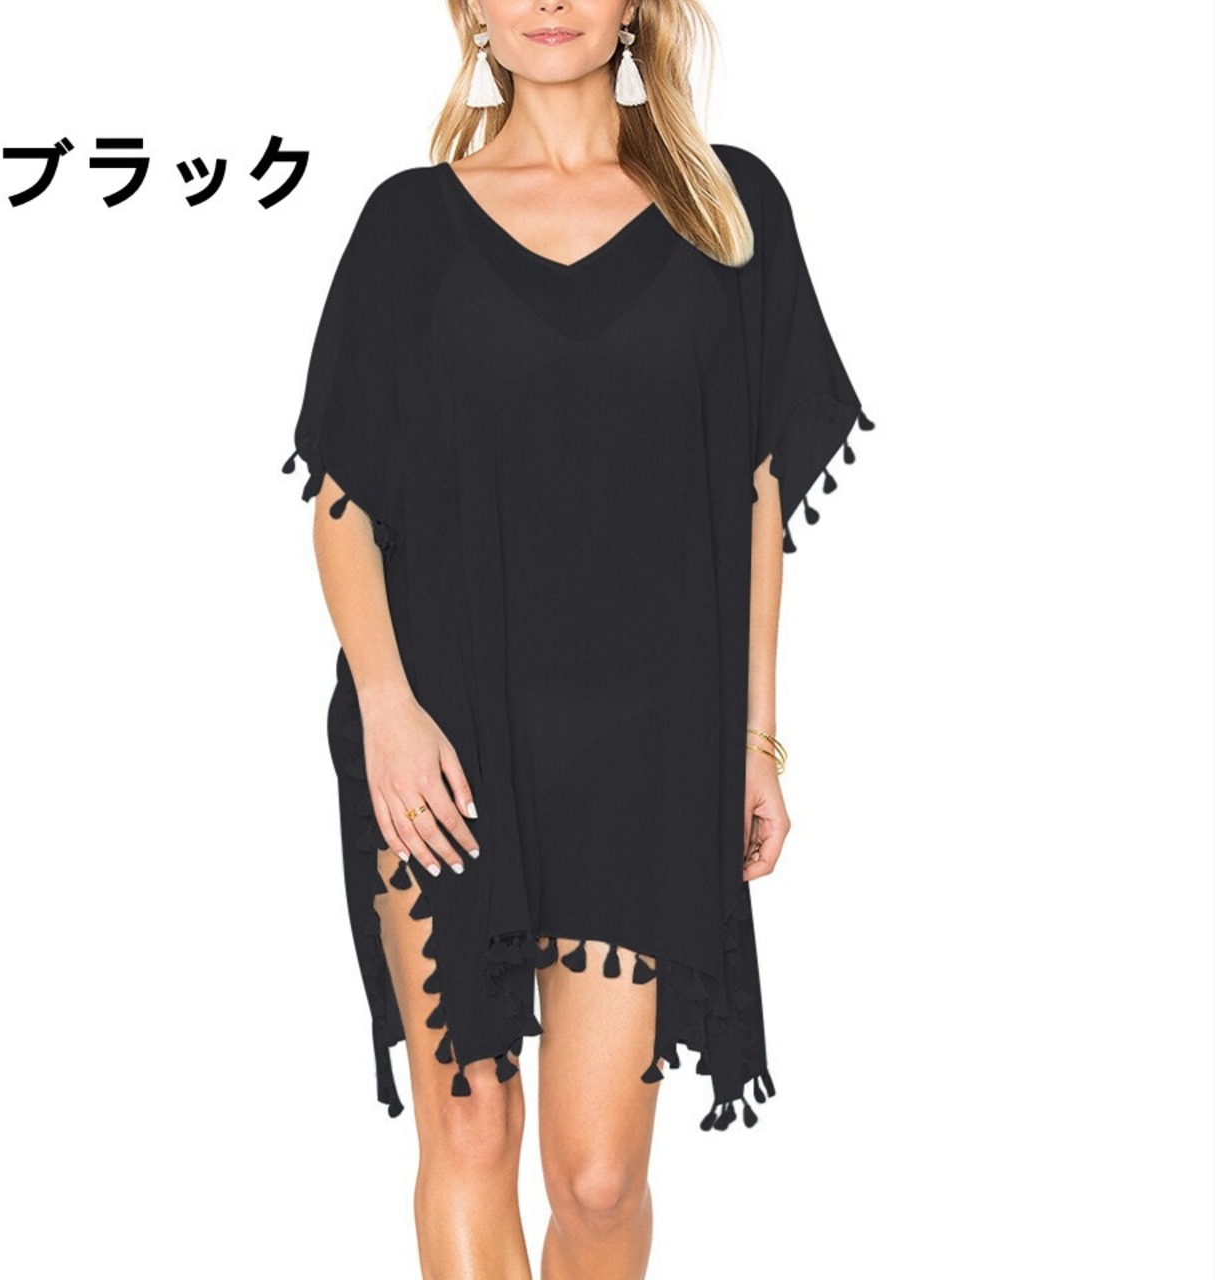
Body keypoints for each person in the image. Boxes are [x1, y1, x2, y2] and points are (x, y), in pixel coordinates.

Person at [281, 1, 877, 1275]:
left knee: (598, 1178)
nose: (549, 2)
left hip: (645, 743)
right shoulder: (407, 226)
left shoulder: (728, 213)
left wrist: (755, 738)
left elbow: (759, 496)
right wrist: (384, 706)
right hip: (443, 729)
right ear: (473, 14)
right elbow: (343, 503)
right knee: (467, 1121)